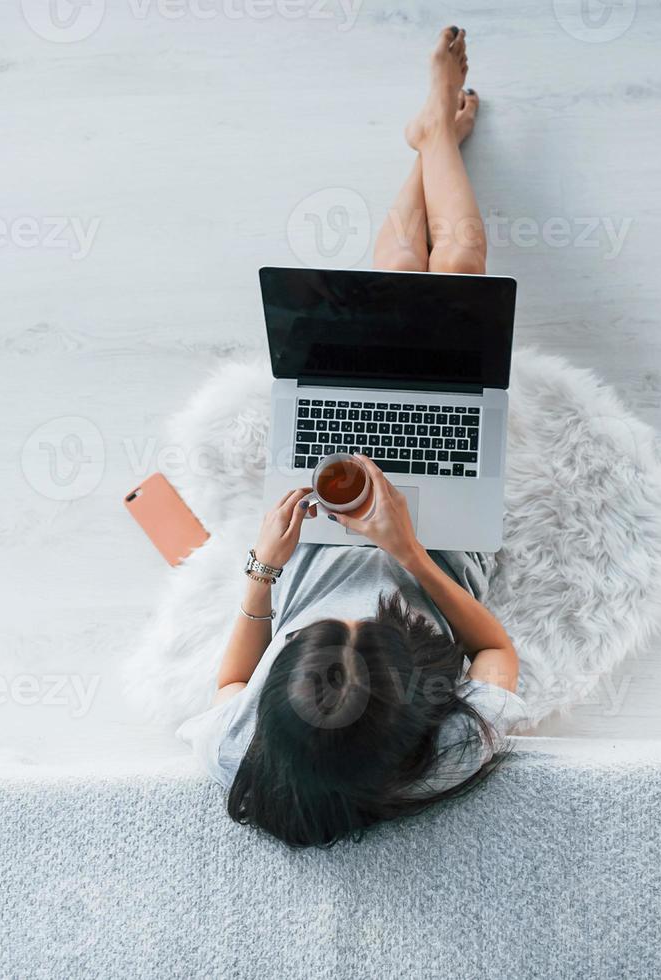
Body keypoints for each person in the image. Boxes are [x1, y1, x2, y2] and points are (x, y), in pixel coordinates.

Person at [176, 27, 526, 848]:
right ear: (411, 696)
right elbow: (496, 649)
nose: (361, 612)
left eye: (307, 640)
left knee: (390, 298)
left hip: (311, 531)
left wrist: (266, 568)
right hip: (436, 542)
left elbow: (229, 675)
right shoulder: (445, 755)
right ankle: (435, 130)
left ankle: (431, 138)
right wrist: (404, 552)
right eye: (384, 628)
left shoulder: (239, 754)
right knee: (462, 268)